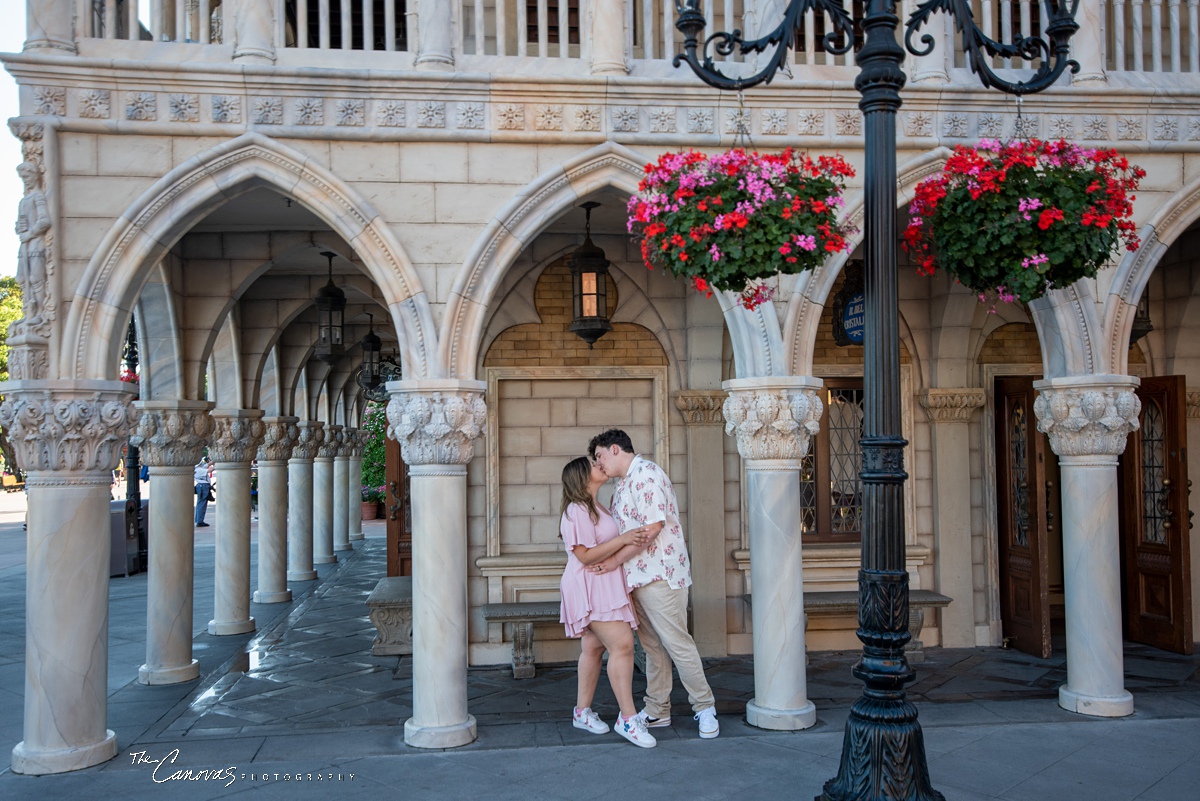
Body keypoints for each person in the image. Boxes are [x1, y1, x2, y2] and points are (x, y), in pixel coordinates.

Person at [589, 428, 720, 739]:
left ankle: (705, 707)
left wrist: (614, 561)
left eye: (599, 456)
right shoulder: (622, 486)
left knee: (677, 643)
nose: (599, 464)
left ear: (616, 449)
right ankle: (658, 709)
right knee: (652, 647)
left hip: (661, 575)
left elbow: (653, 528)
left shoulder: (646, 474)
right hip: (637, 580)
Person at [558, 456, 656, 749]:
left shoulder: (597, 505)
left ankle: (581, 712)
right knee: (623, 645)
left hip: (602, 582)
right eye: (592, 464)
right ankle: (627, 718)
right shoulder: (576, 510)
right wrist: (625, 538)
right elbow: (585, 555)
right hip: (588, 582)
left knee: (593, 646)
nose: (599, 465)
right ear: (581, 476)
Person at [194, 457, 212, 528]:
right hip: (203, 487)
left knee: (200, 503)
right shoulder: (198, 469)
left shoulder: (198, 468)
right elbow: (210, 470)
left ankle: (198, 520)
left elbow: (208, 465)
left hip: (202, 486)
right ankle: (199, 521)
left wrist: (214, 460)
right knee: (202, 504)